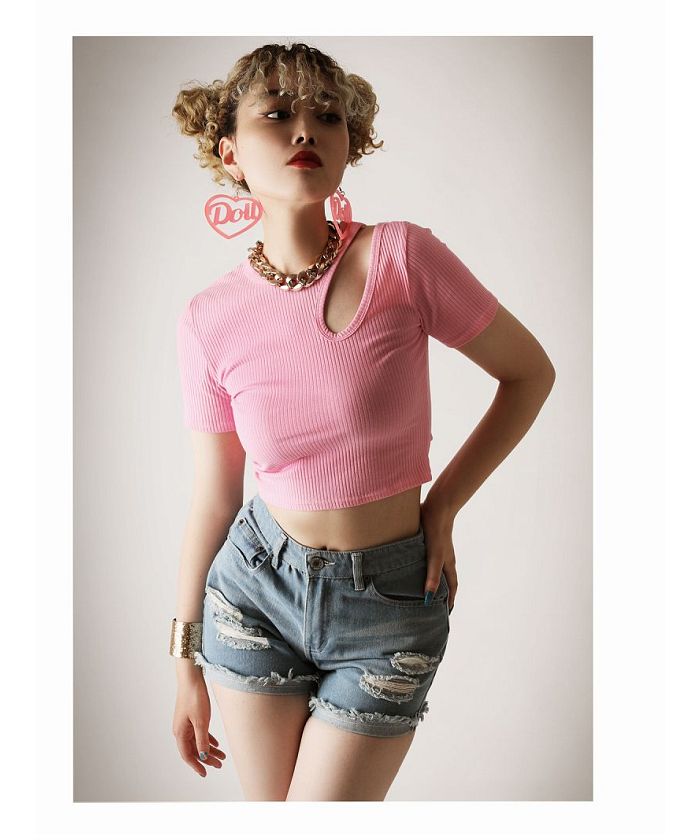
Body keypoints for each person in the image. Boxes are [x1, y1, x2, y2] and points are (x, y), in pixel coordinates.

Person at [169, 42, 556, 801]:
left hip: (391, 603)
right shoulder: (208, 319)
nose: (304, 131)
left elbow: (528, 375)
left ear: (351, 144)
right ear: (230, 152)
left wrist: (442, 505)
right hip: (255, 595)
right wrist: (184, 659)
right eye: (276, 115)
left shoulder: (401, 258)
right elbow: (214, 500)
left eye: (327, 116)